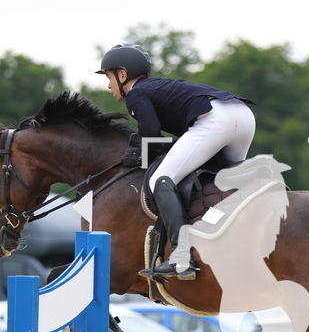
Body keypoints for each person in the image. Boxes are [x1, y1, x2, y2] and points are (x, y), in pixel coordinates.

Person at [96, 43, 256, 280]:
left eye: (109, 77)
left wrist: (138, 151)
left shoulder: (136, 93)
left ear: (122, 74)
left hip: (216, 120)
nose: (109, 85)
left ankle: (181, 258)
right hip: (242, 116)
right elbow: (159, 138)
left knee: (162, 180)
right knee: (225, 184)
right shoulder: (157, 87)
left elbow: (150, 131)